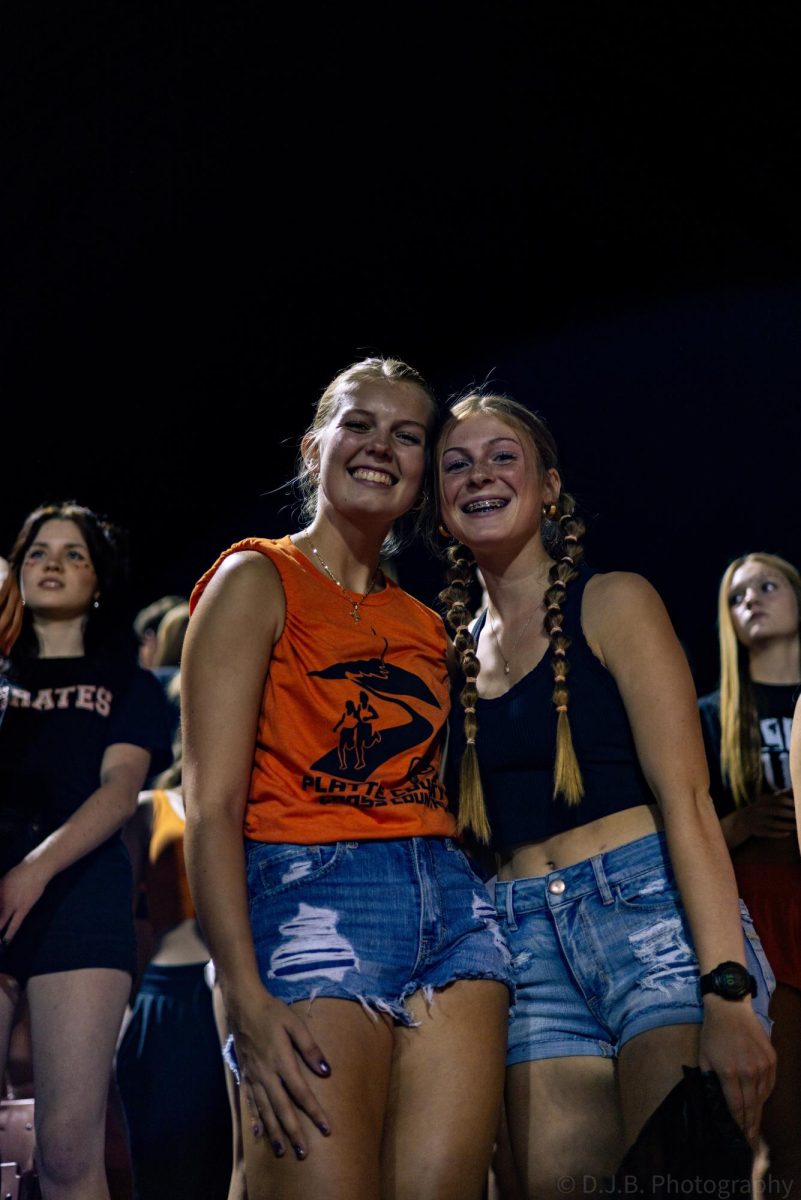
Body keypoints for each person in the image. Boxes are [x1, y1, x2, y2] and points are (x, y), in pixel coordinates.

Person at [181, 358, 513, 1200]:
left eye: (407, 436)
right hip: (311, 905)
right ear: (312, 449)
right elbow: (210, 808)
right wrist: (243, 996)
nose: (380, 446)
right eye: (359, 424)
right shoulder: (255, 578)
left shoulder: (428, 627)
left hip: (452, 915)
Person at [436, 393, 776, 1199]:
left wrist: (727, 990)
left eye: (501, 456)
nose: (477, 473)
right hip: (521, 948)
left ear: (549, 486)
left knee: (679, 1179)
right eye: (455, 463)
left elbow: (688, 804)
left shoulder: (614, 600)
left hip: (652, 926)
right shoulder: (442, 653)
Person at [0, 502, 172, 1200]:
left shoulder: (123, 680)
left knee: (70, 1153)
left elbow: (119, 788)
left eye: (75, 554)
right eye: (39, 550)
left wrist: (34, 870)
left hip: (76, 899)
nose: (52, 563)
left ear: (97, 581)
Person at [698, 552, 801, 1190]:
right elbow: (685, 822)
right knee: (778, 1133)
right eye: (736, 596)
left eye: (767, 586)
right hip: (761, 919)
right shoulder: (712, 714)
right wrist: (740, 824)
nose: (751, 601)